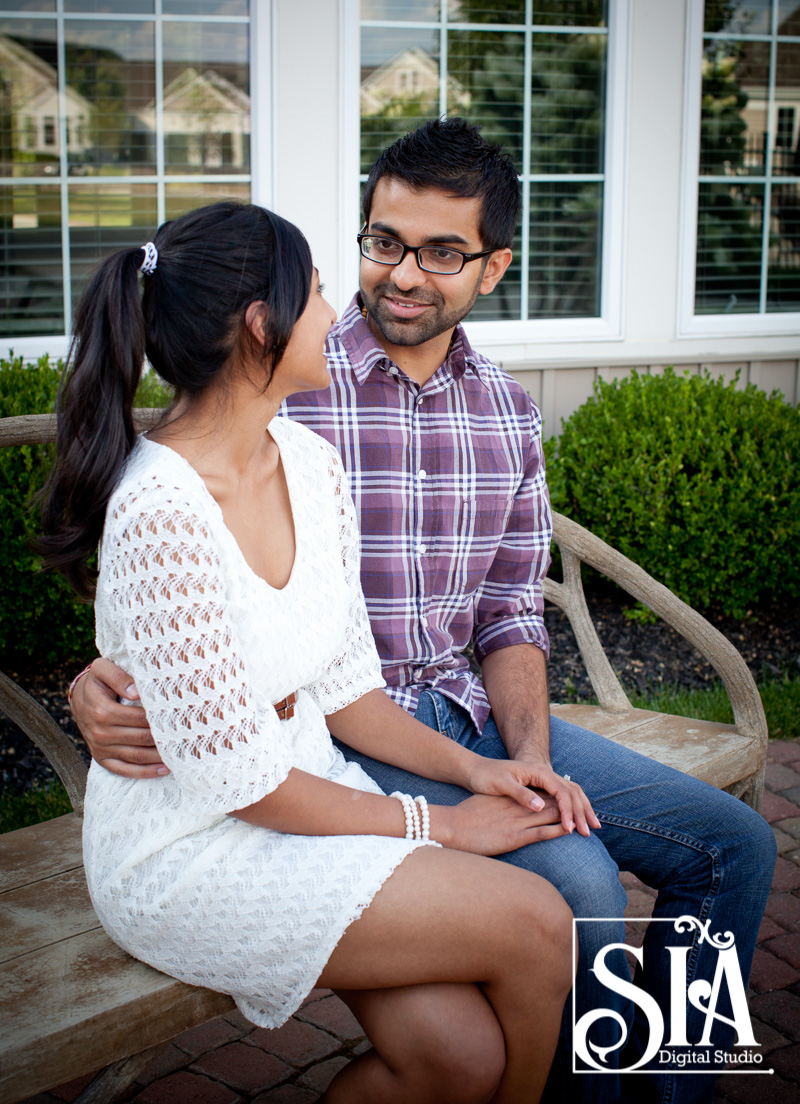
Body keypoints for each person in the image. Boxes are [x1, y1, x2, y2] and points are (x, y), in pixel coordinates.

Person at [70, 122, 777, 1103]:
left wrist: (522, 756)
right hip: (341, 754)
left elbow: (506, 612)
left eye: (440, 252)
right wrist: (97, 674)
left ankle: (668, 1095)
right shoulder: (287, 397)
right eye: (380, 243)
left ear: (493, 266)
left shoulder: (501, 410)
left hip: (454, 719)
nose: (398, 275)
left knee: (732, 843)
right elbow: (176, 584)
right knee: (573, 885)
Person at [40, 199, 582, 1104]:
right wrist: (442, 826)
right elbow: (237, 784)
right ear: (262, 326)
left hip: (309, 790)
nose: (336, 313)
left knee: (457, 1059)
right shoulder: (161, 513)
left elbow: (346, 688)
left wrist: (473, 773)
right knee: (538, 922)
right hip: (191, 849)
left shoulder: (308, 462)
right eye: (320, 292)